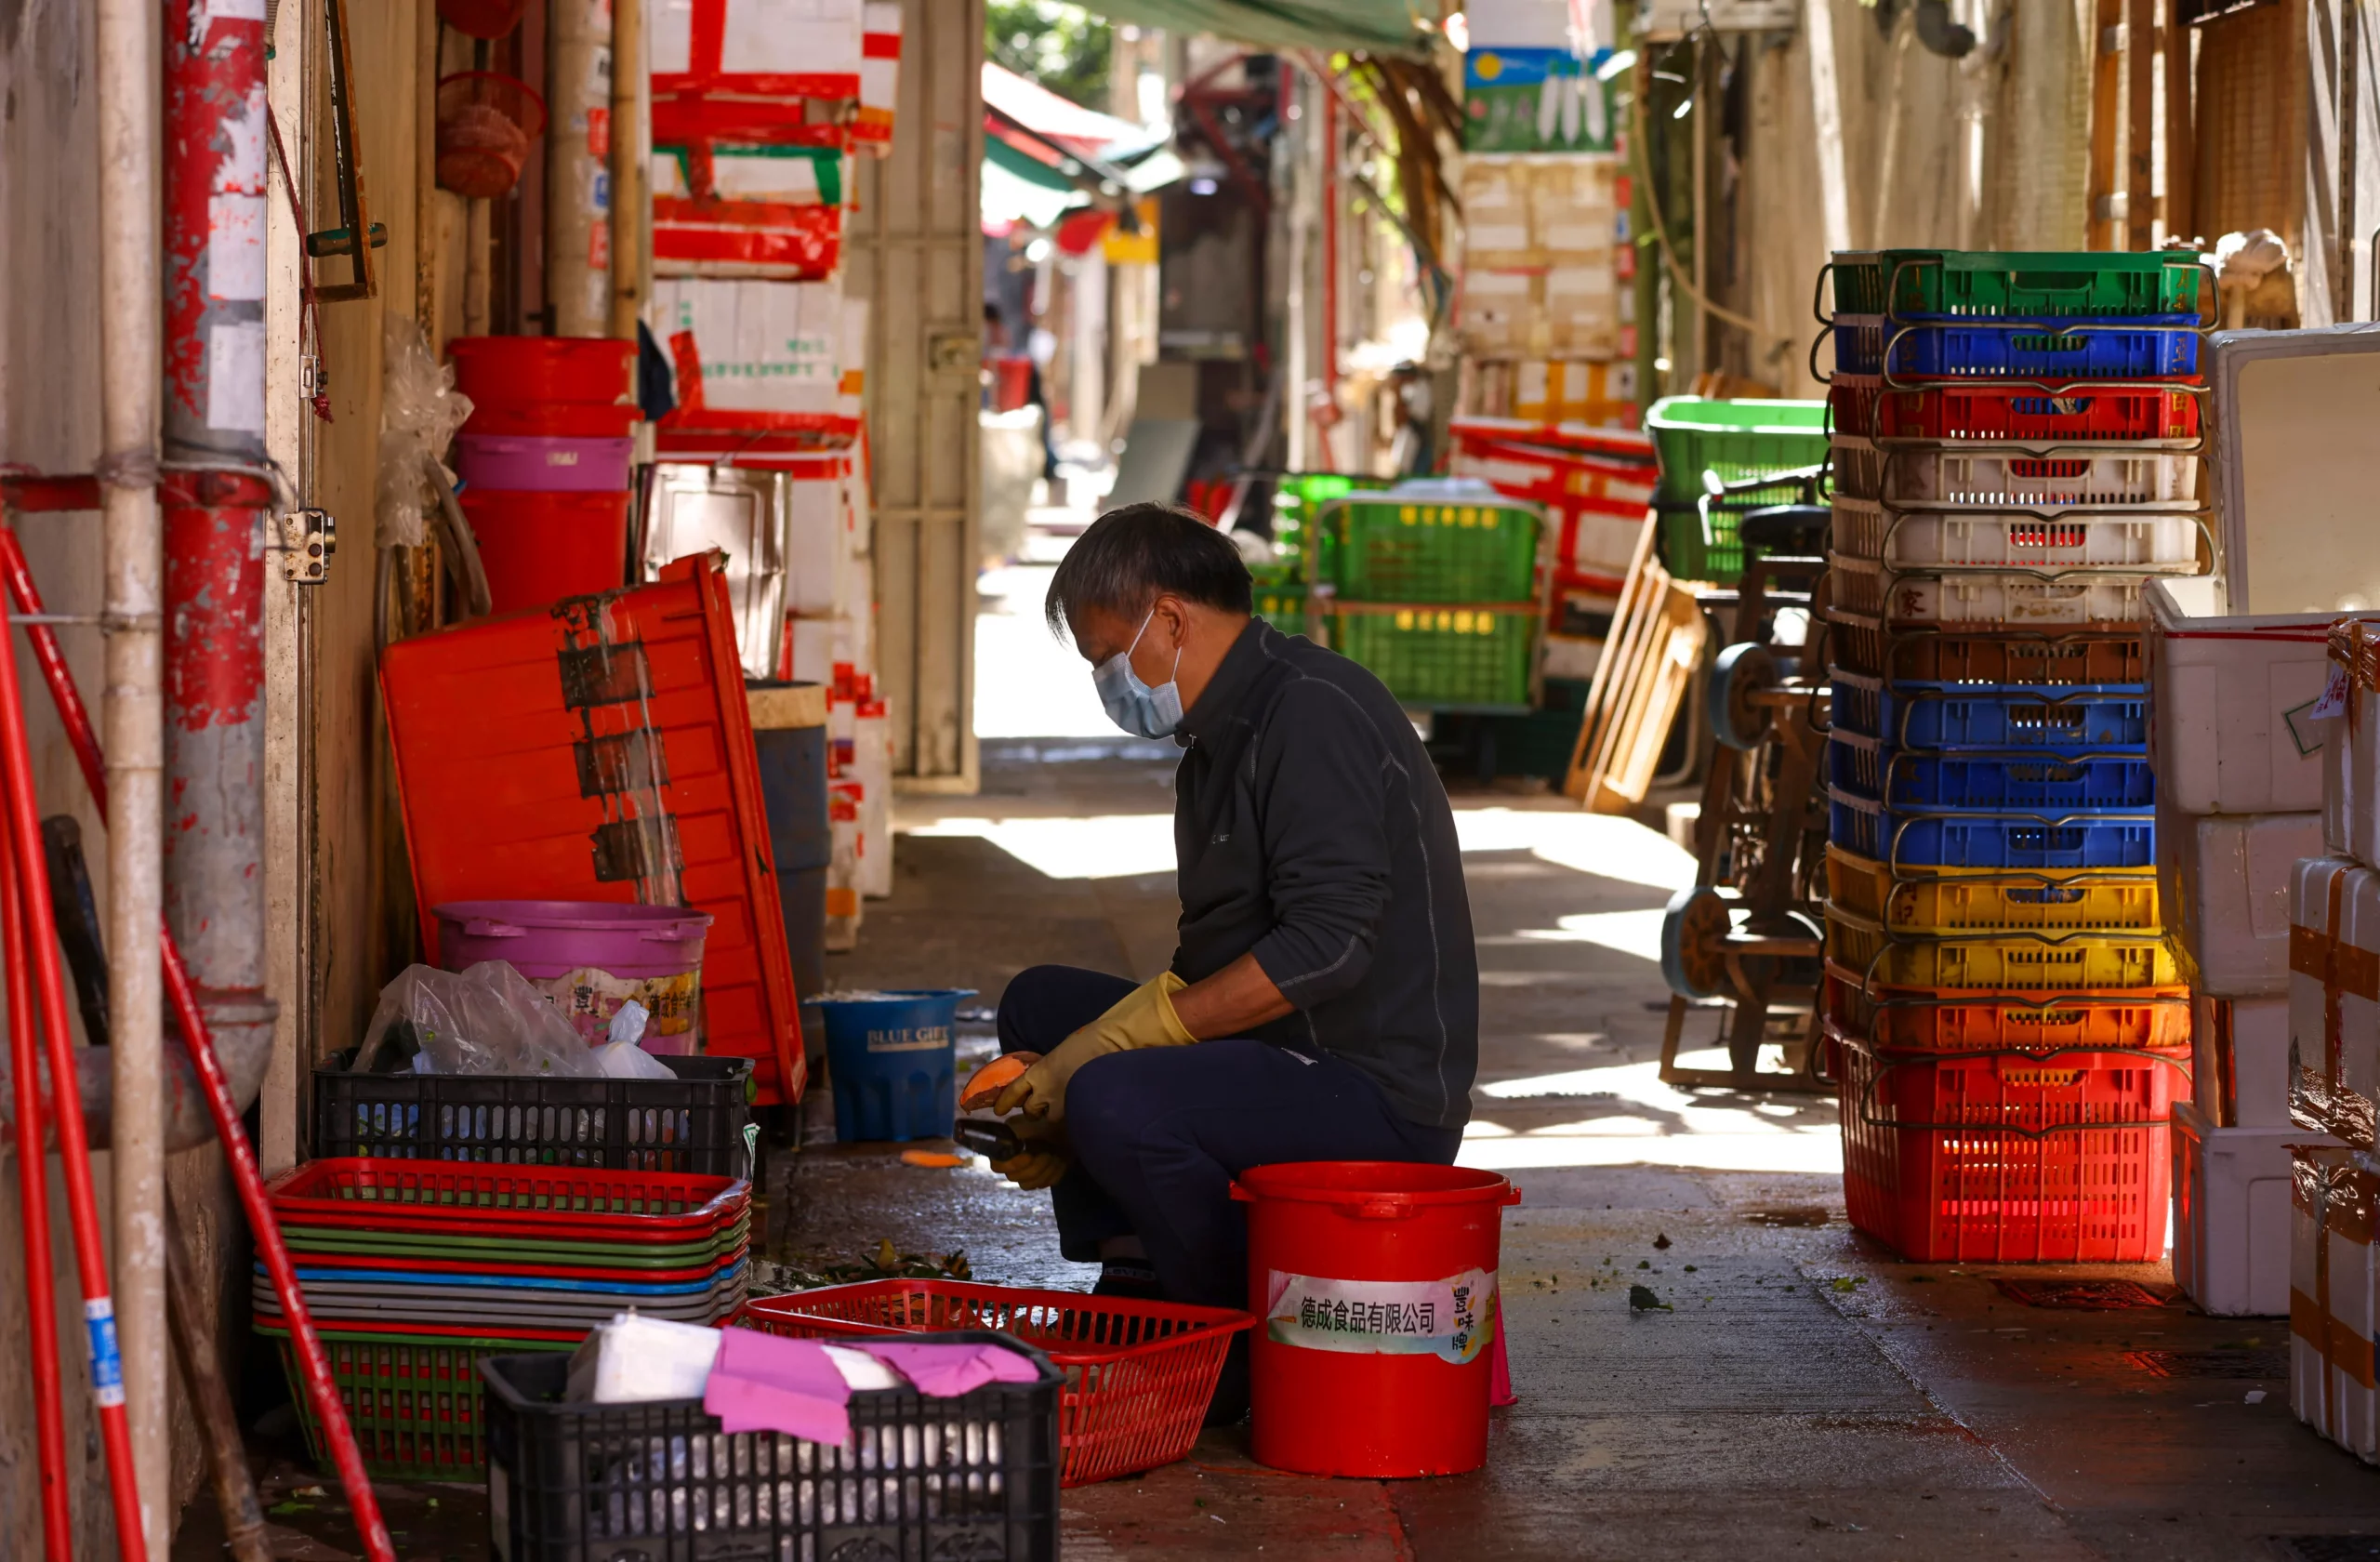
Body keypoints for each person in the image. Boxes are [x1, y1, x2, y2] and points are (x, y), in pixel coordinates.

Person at [985, 503, 1479, 1417]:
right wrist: (1071, 1063)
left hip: (1370, 1090)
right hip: (1286, 1054)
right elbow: (1209, 958)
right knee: (1042, 1007)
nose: (1107, 681)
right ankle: (1141, 1268)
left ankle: (1232, 1349)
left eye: (1108, 655)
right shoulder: (1216, 742)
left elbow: (1326, 947)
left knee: (1112, 1092)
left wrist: (1117, 1049)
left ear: (1168, 618)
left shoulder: (1312, 713)